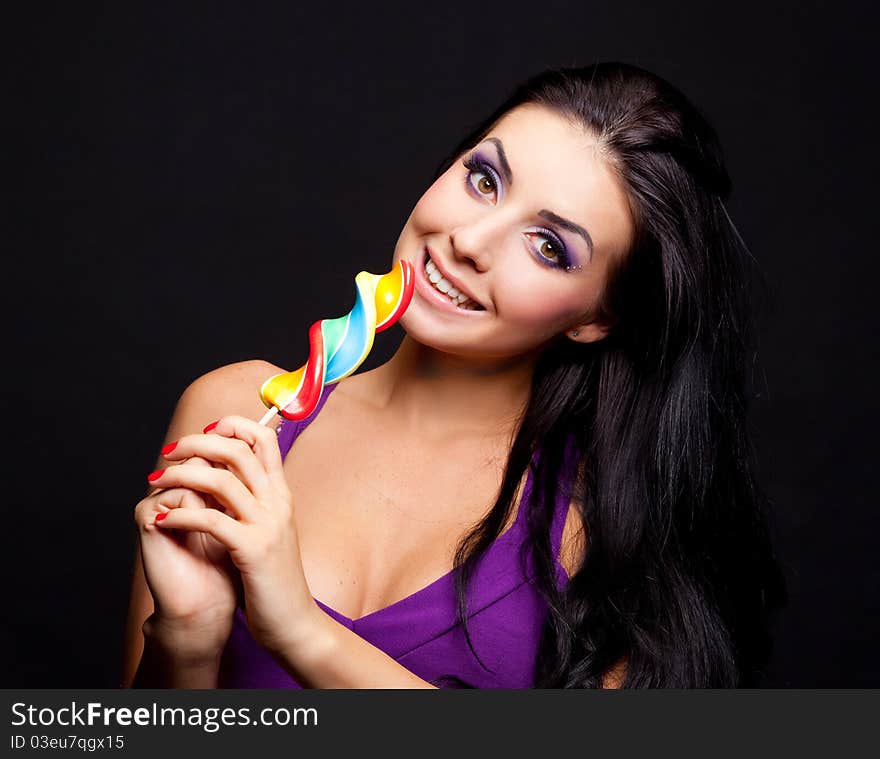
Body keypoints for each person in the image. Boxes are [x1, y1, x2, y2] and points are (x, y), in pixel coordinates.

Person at [120, 62, 787, 689]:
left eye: (548, 246)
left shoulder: (608, 528)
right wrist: (186, 639)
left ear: (599, 316)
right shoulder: (234, 417)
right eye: (484, 179)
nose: (471, 240)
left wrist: (301, 631)